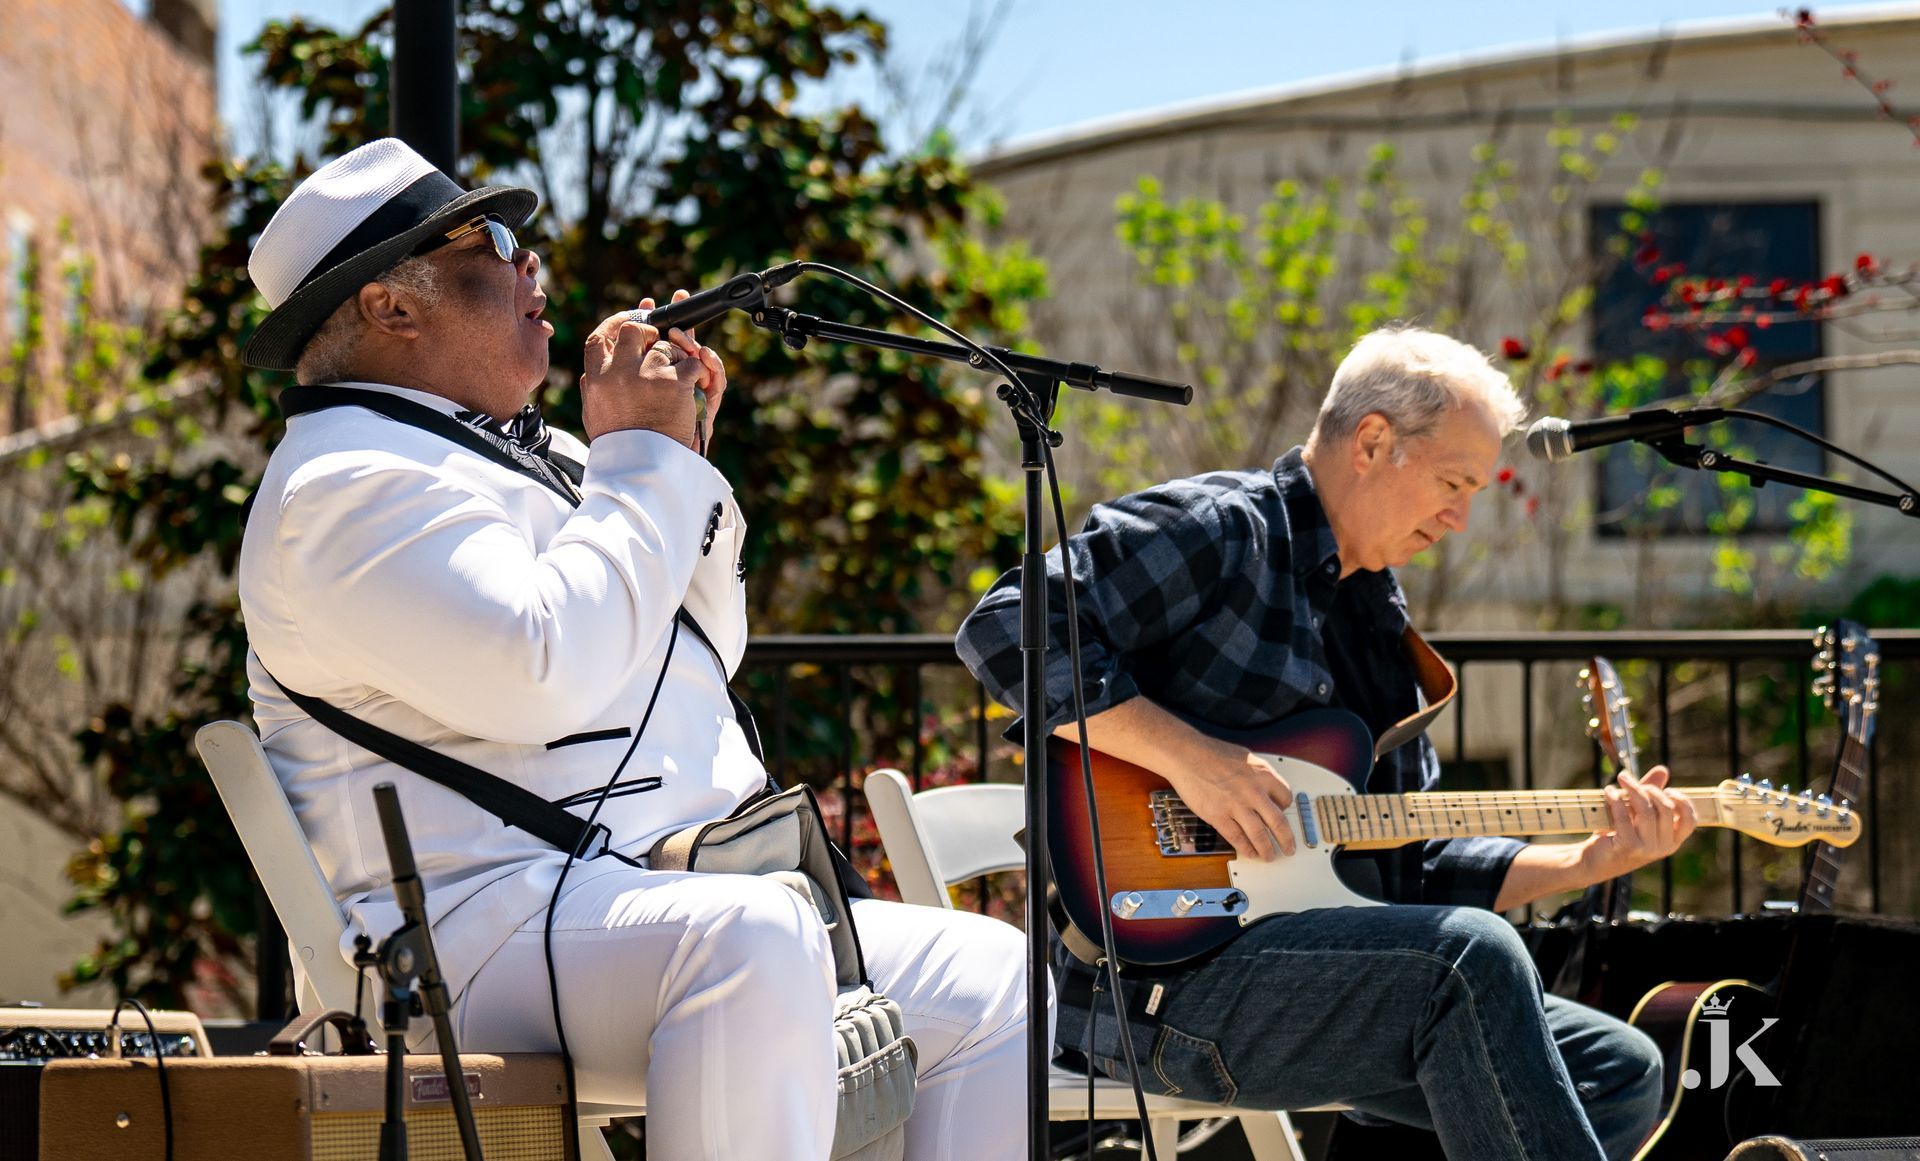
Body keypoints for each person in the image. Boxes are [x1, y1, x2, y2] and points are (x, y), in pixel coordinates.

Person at [236, 138, 1029, 1161]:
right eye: (498, 240)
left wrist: (674, 456)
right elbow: (541, 669)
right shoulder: (343, 485)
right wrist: (642, 460)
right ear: (393, 307)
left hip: (636, 897)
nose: (535, 267)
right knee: (755, 940)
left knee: (996, 982)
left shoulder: (546, 453)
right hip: (467, 931)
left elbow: (707, 646)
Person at [955, 327, 1693, 1161]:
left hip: (1320, 973)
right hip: (1163, 986)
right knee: (1467, 963)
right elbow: (1004, 626)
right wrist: (1190, 760)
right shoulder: (1223, 529)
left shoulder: (1379, 615)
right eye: (1454, 482)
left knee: (1620, 1067)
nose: (1461, 516)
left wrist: (1583, 863)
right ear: (1373, 442)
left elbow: (1414, 855)